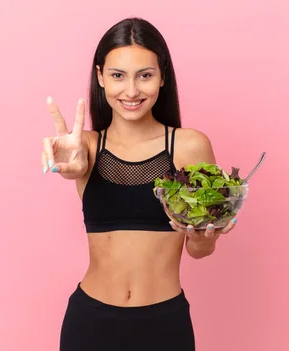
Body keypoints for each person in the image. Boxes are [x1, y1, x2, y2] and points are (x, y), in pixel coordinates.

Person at [40, 17, 238, 351]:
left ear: (162, 78)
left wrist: (205, 238)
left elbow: (198, 248)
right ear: (101, 76)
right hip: (90, 324)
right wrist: (72, 167)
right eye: (118, 75)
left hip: (164, 326)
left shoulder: (190, 146)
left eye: (144, 75)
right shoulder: (85, 146)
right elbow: (75, 167)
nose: (131, 91)